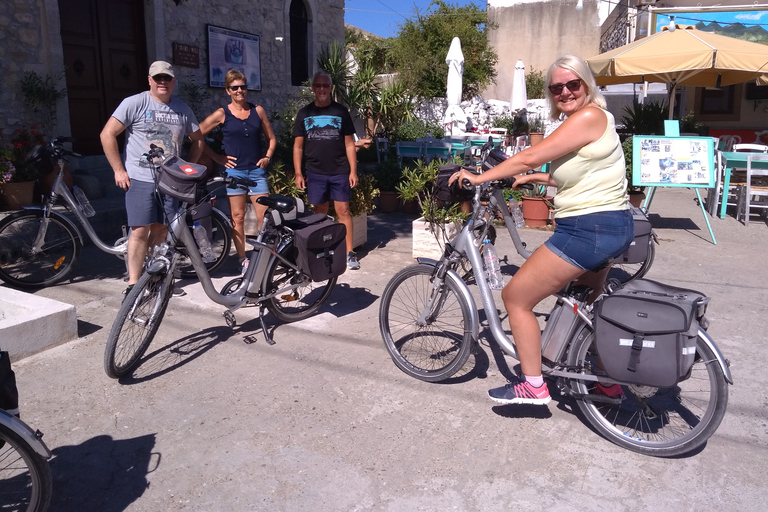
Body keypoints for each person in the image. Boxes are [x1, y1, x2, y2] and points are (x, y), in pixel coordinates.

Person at [449, 54, 634, 405]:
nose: (565, 92)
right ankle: (605, 380)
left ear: (587, 85)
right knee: (582, 305)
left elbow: (529, 155)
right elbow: (584, 172)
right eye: (556, 87)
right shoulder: (596, 120)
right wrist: (539, 178)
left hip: (587, 230)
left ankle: (532, 386)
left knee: (516, 298)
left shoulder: (589, 116)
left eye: (572, 84)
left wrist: (479, 177)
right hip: (611, 226)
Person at [100, 61, 204, 296]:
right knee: (138, 231)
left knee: (160, 231)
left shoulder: (182, 109)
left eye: (167, 78)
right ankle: (133, 285)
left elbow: (198, 140)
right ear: (149, 80)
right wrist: (118, 169)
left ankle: (156, 277)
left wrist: (189, 168)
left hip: (170, 180)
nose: (162, 82)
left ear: (173, 82)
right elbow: (107, 134)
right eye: (157, 78)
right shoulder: (134, 103)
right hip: (140, 178)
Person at [199, 69, 277, 275]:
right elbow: (195, 135)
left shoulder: (257, 110)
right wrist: (217, 158)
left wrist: (267, 156)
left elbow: (272, 138)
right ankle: (243, 260)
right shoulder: (222, 114)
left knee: (265, 217)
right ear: (227, 90)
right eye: (235, 87)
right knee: (238, 217)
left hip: (256, 172)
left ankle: (264, 257)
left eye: (242, 86)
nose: (239, 90)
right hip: (235, 174)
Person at [292, 71, 360, 270]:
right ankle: (323, 250)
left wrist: (353, 171)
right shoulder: (304, 114)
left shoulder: (341, 112)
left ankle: (349, 253)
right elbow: (297, 147)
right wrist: (298, 173)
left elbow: (349, 144)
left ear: (331, 88)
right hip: (315, 172)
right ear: (313, 88)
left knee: (343, 211)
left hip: (339, 171)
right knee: (319, 212)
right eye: (318, 85)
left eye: (326, 85)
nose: (322, 89)